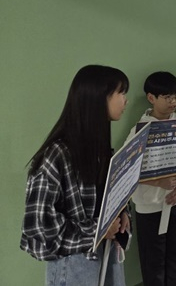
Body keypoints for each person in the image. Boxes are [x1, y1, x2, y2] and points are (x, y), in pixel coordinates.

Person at [21, 65, 130, 286]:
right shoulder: (56, 155)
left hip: (105, 252)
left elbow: (105, 194)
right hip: (73, 265)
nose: (125, 100)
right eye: (120, 93)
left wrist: (122, 211)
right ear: (98, 98)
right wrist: (98, 230)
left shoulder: (99, 148)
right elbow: (39, 225)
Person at [125, 72, 176, 286]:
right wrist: (158, 182)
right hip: (149, 207)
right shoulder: (140, 130)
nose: (173, 101)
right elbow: (127, 171)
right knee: (153, 261)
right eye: (167, 97)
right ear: (151, 98)